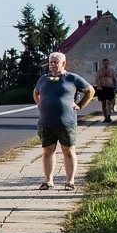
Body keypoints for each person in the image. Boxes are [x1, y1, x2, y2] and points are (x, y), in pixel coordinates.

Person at [33, 51, 93, 190]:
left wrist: (80, 105)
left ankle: (70, 181)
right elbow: (36, 92)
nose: (52, 65)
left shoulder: (72, 78)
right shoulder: (43, 79)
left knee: (68, 150)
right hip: (46, 122)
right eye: (51, 62)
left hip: (66, 122)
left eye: (56, 62)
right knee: (48, 150)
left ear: (64, 63)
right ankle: (48, 181)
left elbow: (90, 90)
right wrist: (40, 104)